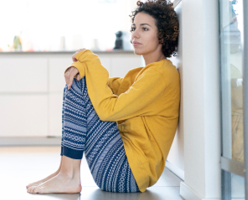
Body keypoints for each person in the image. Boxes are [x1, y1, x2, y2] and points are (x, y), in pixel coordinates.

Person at [26, 0, 180, 194]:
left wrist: (89, 59)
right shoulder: (144, 73)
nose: (135, 34)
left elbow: (109, 110)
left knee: (80, 85)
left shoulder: (161, 75)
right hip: (121, 169)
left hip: (126, 174)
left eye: (145, 28)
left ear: (163, 36)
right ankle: (65, 172)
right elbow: (104, 85)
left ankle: (68, 175)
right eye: (134, 27)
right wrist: (82, 67)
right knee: (81, 83)